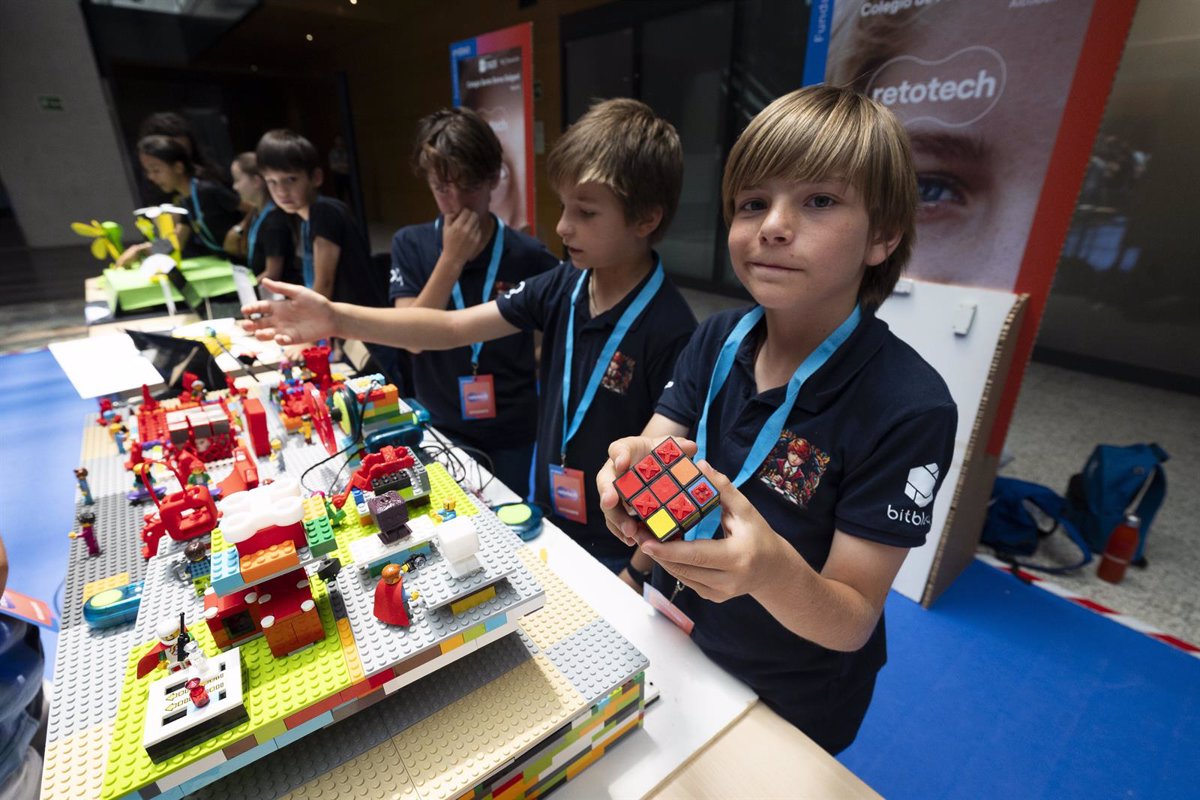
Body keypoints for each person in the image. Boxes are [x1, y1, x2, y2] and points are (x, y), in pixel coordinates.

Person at [596, 85, 958, 754]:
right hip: (678, 633)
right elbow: (654, 450)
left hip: (789, 691)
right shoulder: (716, 339)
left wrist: (768, 572)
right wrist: (625, 476)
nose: (772, 225)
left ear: (882, 236)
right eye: (753, 203)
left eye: (819, 201)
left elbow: (852, 618)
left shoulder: (910, 407)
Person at [243, 99, 697, 572]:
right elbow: (450, 326)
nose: (562, 226)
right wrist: (335, 318)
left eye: (585, 212)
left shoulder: (673, 328)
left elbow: (667, 465)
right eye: (564, 207)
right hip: (547, 503)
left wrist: (638, 570)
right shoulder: (566, 283)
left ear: (646, 220)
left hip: (617, 538)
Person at [388, 107, 558, 497]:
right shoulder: (410, 244)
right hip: (440, 420)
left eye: (469, 187)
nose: (457, 202)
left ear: (494, 178)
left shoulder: (528, 254)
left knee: (509, 524)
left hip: (511, 425)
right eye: (442, 188)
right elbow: (412, 337)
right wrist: (450, 260)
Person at [255, 129, 384, 307]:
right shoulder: (308, 216)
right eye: (272, 181)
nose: (281, 191)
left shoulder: (323, 212)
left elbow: (324, 284)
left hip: (356, 324)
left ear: (316, 177)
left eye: (291, 179)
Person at [121, 135, 242, 262]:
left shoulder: (207, 189)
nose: (151, 177)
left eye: (156, 170)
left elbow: (251, 208)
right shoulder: (185, 201)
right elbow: (177, 242)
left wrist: (238, 229)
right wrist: (141, 250)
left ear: (178, 167)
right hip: (229, 262)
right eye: (148, 171)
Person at [224, 152, 302, 284]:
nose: (234, 187)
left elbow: (272, 274)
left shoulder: (274, 221)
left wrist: (247, 289)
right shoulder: (257, 214)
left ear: (256, 181)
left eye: (237, 180)